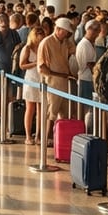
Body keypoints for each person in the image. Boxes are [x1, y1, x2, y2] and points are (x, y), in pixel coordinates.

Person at [37, 17, 77, 146]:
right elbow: (42, 67)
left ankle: (59, 138)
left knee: (64, 112)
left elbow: (73, 51)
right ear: (58, 29)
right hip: (52, 81)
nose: (67, 34)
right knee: (51, 112)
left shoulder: (66, 42)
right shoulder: (46, 42)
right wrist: (59, 74)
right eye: (65, 32)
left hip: (65, 81)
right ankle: (47, 138)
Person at [18, 27, 44, 145]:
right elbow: (22, 65)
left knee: (40, 109)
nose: (40, 36)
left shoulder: (43, 47)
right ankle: (28, 135)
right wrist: (35, 63)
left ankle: (38, 135)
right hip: (31, 79)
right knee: (30, 108)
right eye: (38, 34)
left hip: (41, 79)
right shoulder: (27, 48)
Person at [74, 20, 102, 102]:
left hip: (89, 79)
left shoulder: (90, 43)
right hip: (85, 79)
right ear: (88, 29)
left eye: (98, 31)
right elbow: (90, 64)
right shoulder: (84, 44)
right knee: (86, 106)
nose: (97, 34)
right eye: (96, 30)